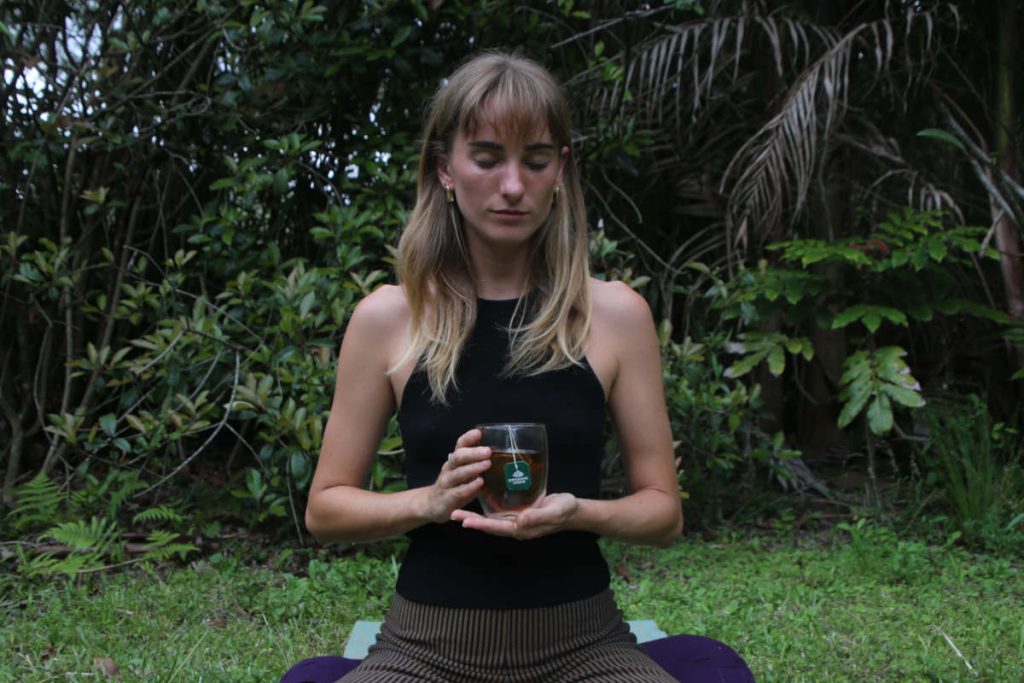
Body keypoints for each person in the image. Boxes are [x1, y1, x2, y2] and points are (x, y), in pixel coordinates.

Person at [282, 51, 754, 683]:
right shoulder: (389, 318)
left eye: (534, 161)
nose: (512, 186)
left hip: (584, 647)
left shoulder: (615, 315)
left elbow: (662, 513)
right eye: (486, 158)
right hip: (425, 650)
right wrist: (429, 500)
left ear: (559, 171)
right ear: (444, 168)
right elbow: (326, 511)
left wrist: (577, 511)